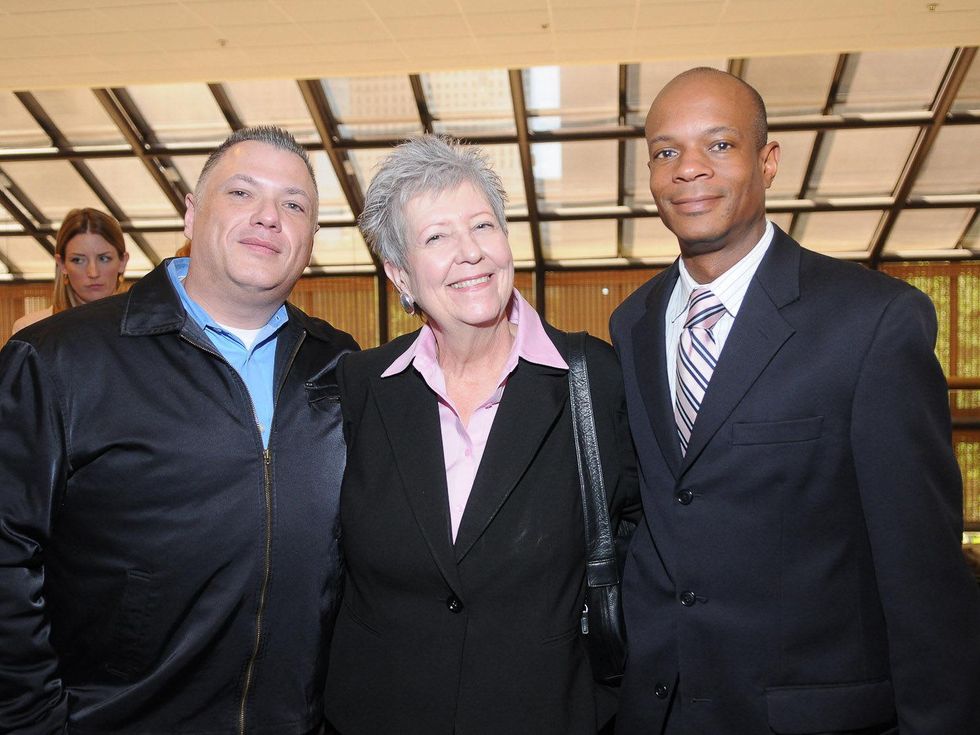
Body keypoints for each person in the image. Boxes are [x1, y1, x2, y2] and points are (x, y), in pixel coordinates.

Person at [609, 67, 980, 734]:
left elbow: (923, 574)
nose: (689, 169)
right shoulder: (632, 324)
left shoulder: (870, 322)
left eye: (718, 145)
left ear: (768, 160)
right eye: (666, 151)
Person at [0, 126, 357, 733]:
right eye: (242, 193)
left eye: (294, 204)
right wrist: (31, 719)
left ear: (310, 238)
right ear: (191, 214)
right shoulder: (60, 359)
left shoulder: (340, 365)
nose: (269, 217)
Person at [324, 135, 638, 734]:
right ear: (399, 275)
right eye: (437, 237)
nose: (470, 253)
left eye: (483, 226)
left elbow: (645, 546)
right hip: (378, 713)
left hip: (546, 712)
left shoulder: (594, 379)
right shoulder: (362, 386)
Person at [12, 207, 129, 332]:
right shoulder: (31, 331)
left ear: (123, 261)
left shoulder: (145, 331)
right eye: (78, 260)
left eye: (104, 258)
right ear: (62, 264)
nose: (93, 273)